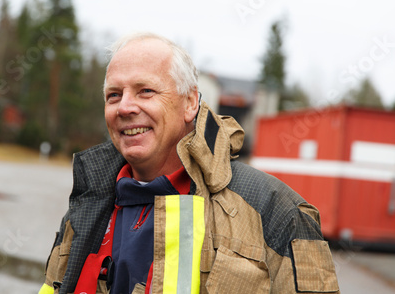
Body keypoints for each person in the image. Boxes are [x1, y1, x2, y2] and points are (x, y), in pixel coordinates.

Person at [39, 33, 340, 294]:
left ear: (190, 103)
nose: (125, 107)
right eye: (113, 95)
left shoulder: (276, 212)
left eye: (146, 91)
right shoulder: (87, 206)